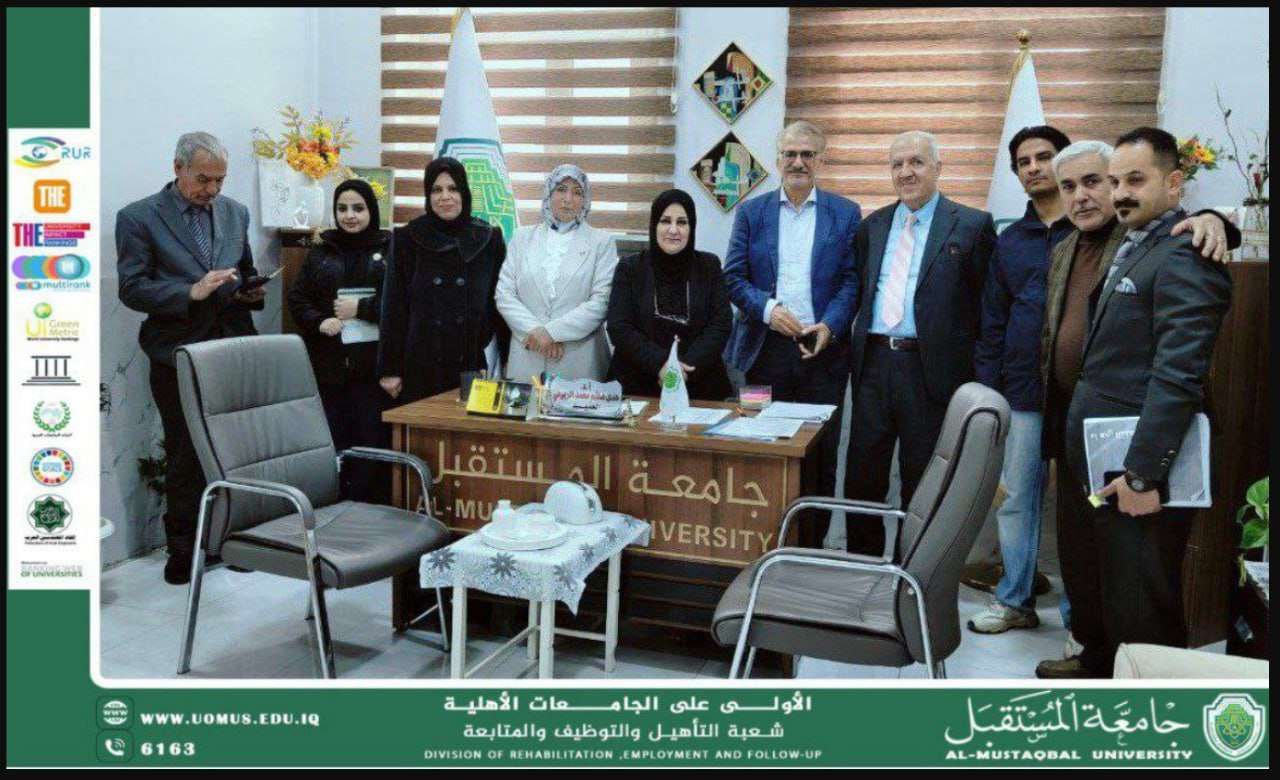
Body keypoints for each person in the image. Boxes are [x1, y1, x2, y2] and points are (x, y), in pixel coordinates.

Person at [1035, 131, 1236, 678]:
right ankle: (1098, 664)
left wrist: (1144, 474)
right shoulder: (1137, 243)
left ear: (1174, 183)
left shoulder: (1185, 254)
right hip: (1095, 457)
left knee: (1140, 596)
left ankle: (1148, 703)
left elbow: (1178, 376)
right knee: (1098, 576)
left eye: (1134, 180)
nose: (1120, 193)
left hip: (1138, 467)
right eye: (1116, 180)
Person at [116, 131, 267, 585]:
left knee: (237, 449)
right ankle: (183, 549)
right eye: (204, 179)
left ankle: (233, 539)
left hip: (231, 346)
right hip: (176, 351)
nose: (213, 190)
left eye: (220, 180)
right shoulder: (138, 217)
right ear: (178, 168)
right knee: (184, 452)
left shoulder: (235, 212)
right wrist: (190, 291)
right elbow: (132, 288)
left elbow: (243, 271)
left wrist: (251, 290)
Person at [845, 130, 997, 556]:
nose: (906, 172)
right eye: (897, 164)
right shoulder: (872, 226)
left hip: (931, 372)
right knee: (863, 477)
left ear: (938, 168)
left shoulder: (972, 225)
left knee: (923, 478)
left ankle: (909, 571)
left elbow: (986, 309)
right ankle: (861, 566)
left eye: (916, 162)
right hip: (874, 365)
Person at [722, 120, 860, 544]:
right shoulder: (752, 212)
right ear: (778, 158)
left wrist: (830, 326)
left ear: (821, 159)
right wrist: (768, 310)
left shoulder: (845, 213)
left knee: (820, 456)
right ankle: (762, 543)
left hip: (823, 354)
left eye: (807, 154)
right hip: (764, 354)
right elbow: (733, 276)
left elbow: (851, 280)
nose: (798, 162)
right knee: (762, 447)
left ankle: (812, 549)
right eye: (790, 154)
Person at [968, 125, 1075, 633]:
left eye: (1044, 157)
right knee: (1016, 499)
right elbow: (992, 322)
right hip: (1021, 391)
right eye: (1023, 162)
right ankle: (1015, 599)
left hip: (1079, 393)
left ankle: (1081, 616)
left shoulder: (1094, 228)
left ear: (1065, 162)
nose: (1033, 167)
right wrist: (990, 394)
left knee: (1080, 506)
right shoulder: (1010, 240)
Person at [287, 179, 391, 503]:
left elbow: (401, 304)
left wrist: (361, 309)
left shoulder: (390, 250)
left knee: (371, 448)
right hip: (330, 370)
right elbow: (298, 298)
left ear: (371, 211)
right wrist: (319, 321)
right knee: (334, 446)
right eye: (342, 208)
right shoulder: (322, 251)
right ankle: (335, 511)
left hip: (374, 372)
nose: (350, 216)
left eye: (358, 208)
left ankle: (369, 514)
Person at [378, 157, 507, 405]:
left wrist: (506, 358)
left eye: (453, 188)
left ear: (464, 192)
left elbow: (500, 306)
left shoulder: (489, 238)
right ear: (428, 195)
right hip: (420, 363)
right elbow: (393, 307)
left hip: (472, 363)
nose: (445, 197)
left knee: (469, 428)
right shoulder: (406, 238)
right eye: (436, 190)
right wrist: (389, 369)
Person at [606, 189, 732, 401]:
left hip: (699, 383)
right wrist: (662, 365)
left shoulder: (709, 266)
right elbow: (619, 327)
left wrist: (681, 370)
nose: (673, 230)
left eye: (682, 222)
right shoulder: (630, 268)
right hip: (637, 384)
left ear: (691, 227)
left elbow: (721, 324)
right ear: (654, 225)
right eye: (665, 221)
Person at [495, 164, 618, 382]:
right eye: (561, 189)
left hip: (579, 361)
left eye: (577, 192)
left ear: (585, 200)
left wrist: (551, 332)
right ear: (548, 194)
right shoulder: (522, 238)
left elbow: (601, 302)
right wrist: (536, 331)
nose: (568, 199)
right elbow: (504, 294)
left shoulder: (602, 242)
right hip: (528, 355)